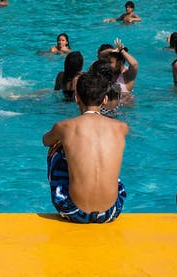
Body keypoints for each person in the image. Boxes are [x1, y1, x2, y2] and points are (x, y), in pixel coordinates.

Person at [43, 72, 128, 223]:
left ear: (76, 98)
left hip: (73, 210)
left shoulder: (64, 126)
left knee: (56, 148)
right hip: (112, 211)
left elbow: (45, 141)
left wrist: (63, 140)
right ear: (105, 99)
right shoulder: (121, 127)